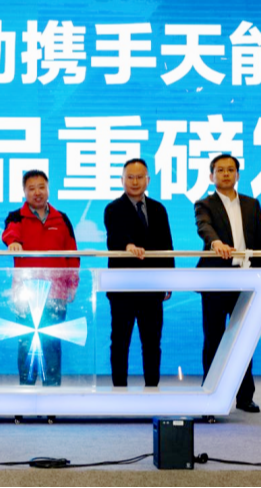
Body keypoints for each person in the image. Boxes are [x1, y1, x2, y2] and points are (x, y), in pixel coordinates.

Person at [195, 154, 261, 413]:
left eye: (230, 170)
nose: (225, 174)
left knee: (243, 341)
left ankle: (245, 396)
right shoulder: (204, 204)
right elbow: (204, 227)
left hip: (245, 280)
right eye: (220, 170)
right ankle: (210, 395)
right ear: (211, 176)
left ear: (237, 175)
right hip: (216, 281)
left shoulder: (252, 204)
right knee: (214, 340)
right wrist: (215, 242)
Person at [2, 170, 80, 386]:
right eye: (31, 188)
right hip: (26, 294)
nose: (37, 192)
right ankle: (26, 389)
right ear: (24, 191)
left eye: (41, 187)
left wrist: (72, 284)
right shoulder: (16, 216)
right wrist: (13, 243)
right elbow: (10, 233)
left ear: (48, 188)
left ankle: (51, 392)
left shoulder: (62, 218)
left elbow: (72, 254)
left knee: (52, 343)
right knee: (26, 344)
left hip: (56, 294)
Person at [104, 159, 175, 388]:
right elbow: (115, 236)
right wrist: (128, 246)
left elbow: (167, 246)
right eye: (130, 177)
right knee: (120, 342)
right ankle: (119, 390)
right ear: (122, 180)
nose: (135, 182)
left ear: (148, 180)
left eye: (139, 177)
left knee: (152, 342)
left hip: (152, 287)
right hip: (123, 288)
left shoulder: (159, 209)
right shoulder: (113, 208)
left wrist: (169, 280)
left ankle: (152, 389)